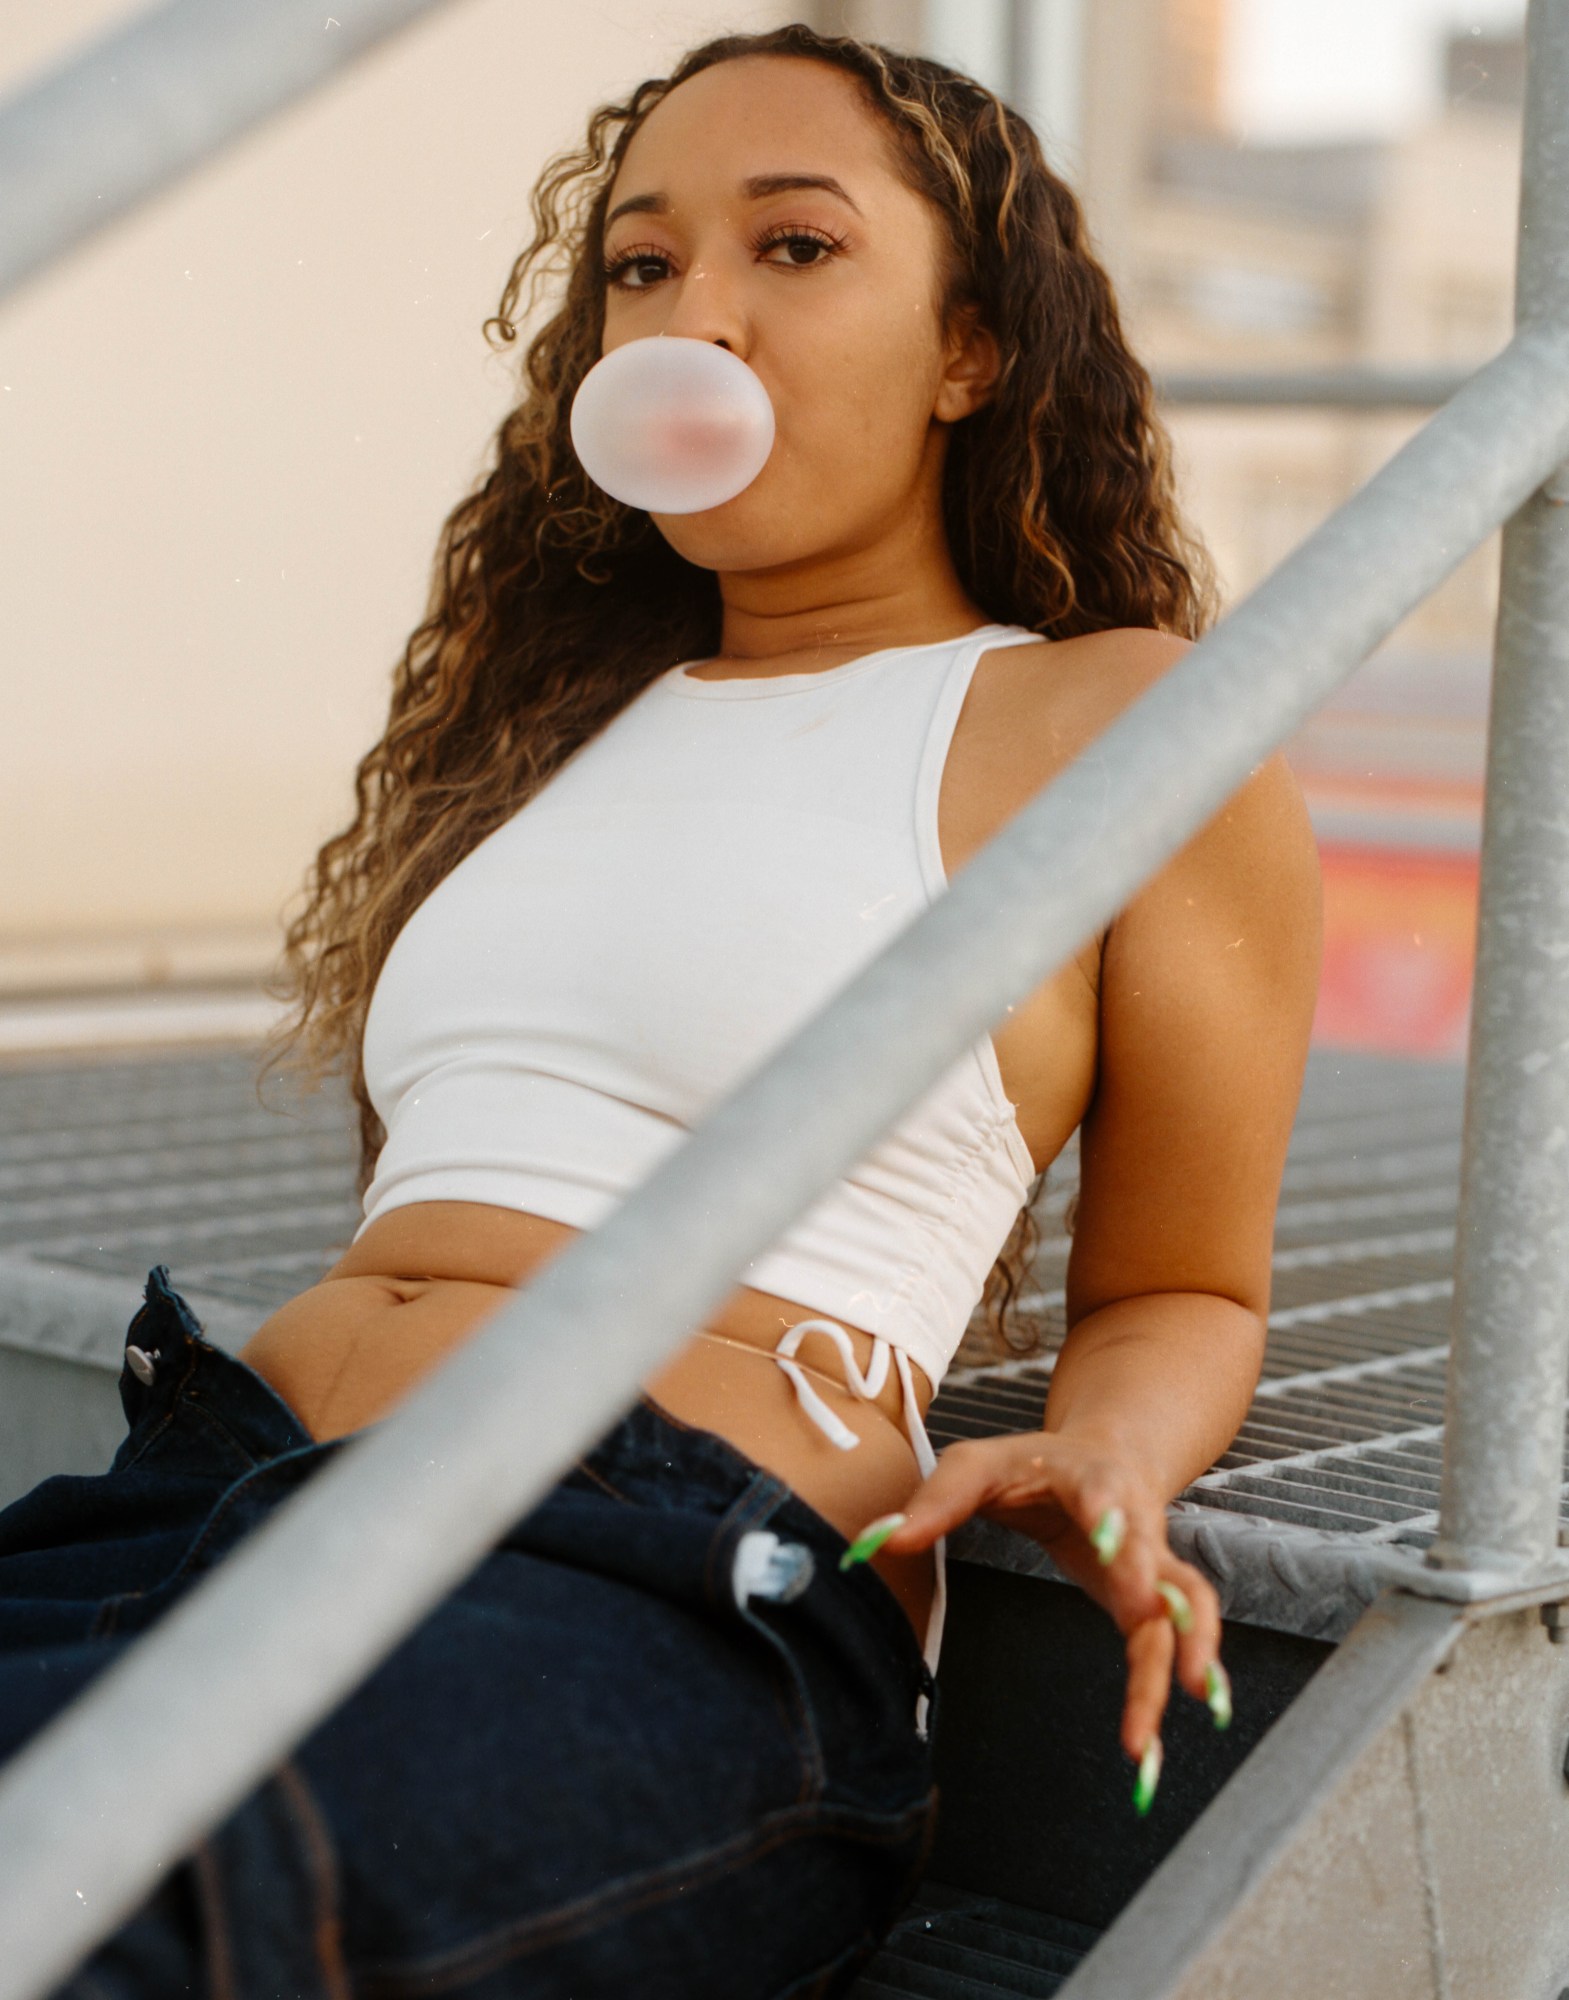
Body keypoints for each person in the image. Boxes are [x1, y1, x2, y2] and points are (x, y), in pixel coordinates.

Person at [0, 21, 1322, 1997]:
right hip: (218, 1488)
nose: (688, 314)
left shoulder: (1117, 717)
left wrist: (1104, 1457)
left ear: (967, 347)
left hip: (648, 1578)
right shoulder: (537, 730)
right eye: (639, 263)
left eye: (792, 248)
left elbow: (1182, 1287)